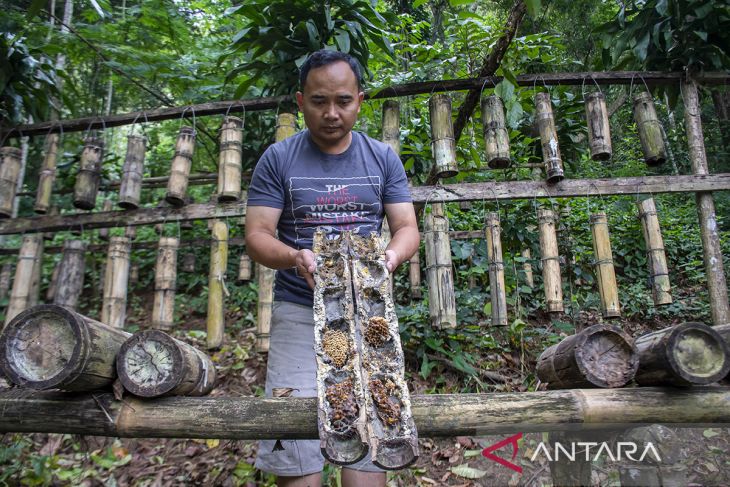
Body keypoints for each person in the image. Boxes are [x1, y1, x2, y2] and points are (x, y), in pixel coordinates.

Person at [245, 49, 419, 487]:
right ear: (300, 101)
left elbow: (406, 228)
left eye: (343, 101)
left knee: (372, 436)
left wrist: (390, 257)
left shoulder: (381, 158)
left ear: (360, 100)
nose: (331, 113)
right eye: (319, 101)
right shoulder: (278, 159)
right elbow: (258, 236)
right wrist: (293, 256)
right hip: (299, 310)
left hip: (369, 317)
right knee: (294, 448)